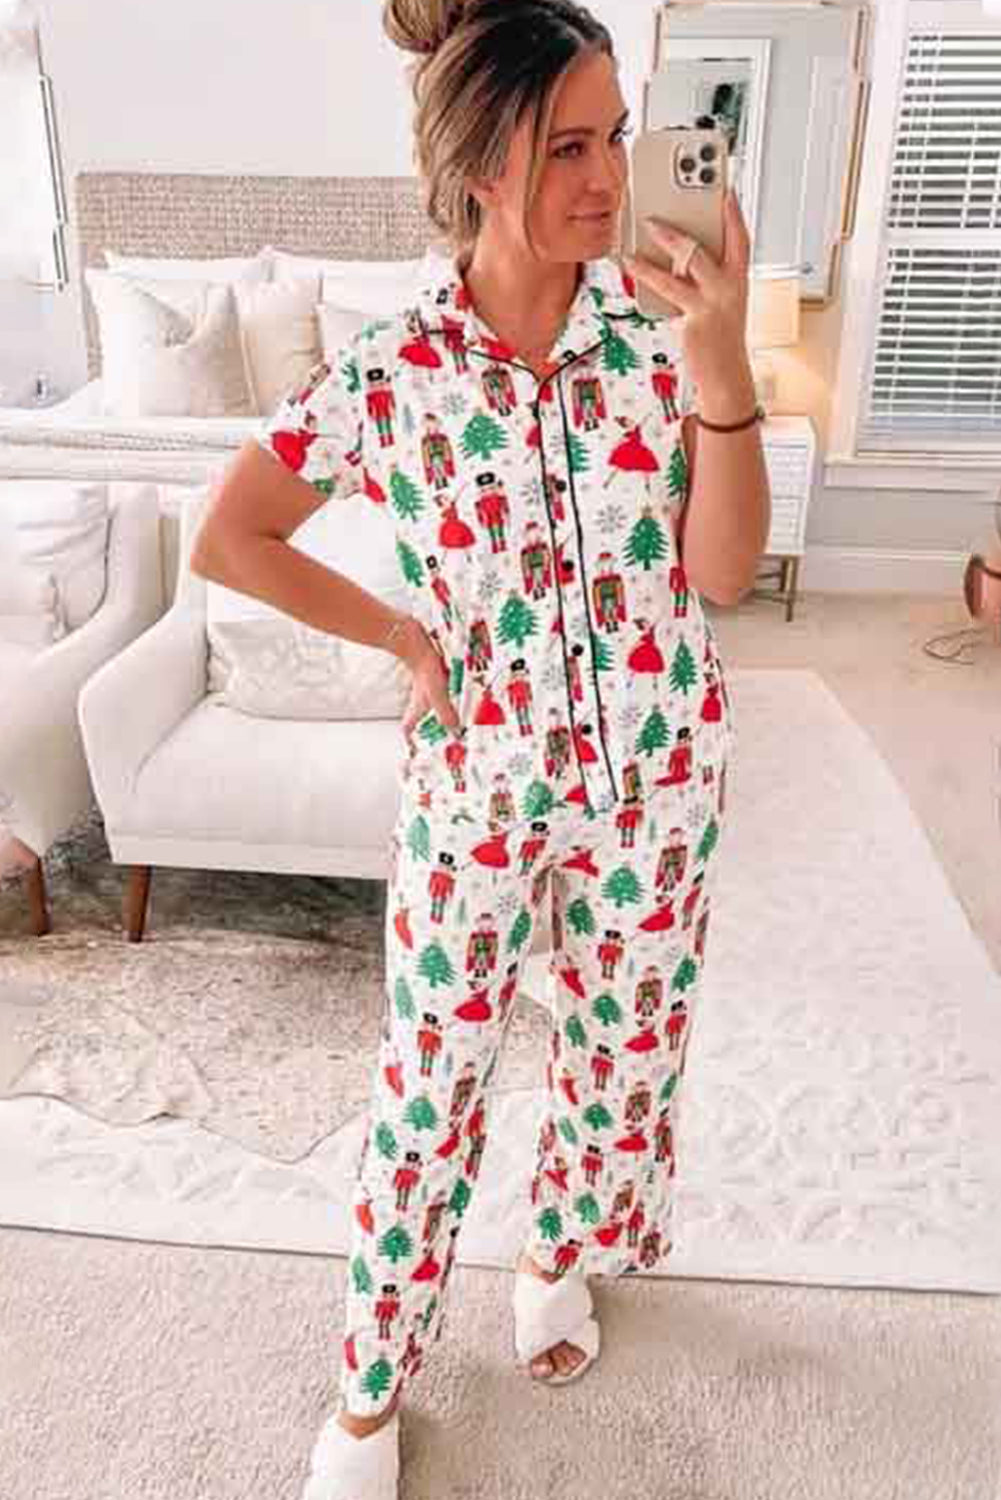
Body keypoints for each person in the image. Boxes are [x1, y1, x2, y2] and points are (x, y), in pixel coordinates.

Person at [192, 2, 764, 1495]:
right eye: (566, 146)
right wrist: (400, 636)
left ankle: (556, 1259)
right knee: (429, 1084)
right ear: (478, 167)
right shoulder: (394, 372)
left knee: (621, 1054)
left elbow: (718, 574)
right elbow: (231, 536)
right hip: (479, 785)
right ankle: (368, 1389)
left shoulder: (656, 333)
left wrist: (720, 356)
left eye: (615, 135)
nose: (608, 175)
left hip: (657, 776)